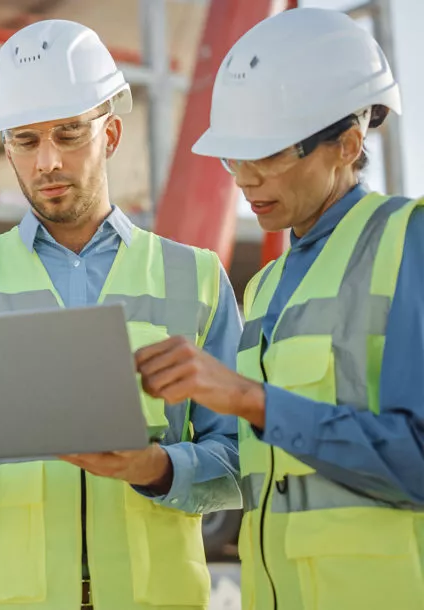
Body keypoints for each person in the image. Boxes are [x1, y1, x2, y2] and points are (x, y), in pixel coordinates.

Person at [0, 19, 244, 610]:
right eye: (25, 140)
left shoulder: (193, 279)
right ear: (7, 146)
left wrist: (157, 468)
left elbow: (243, 459)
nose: (46, 162)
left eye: (69, 135)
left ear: (111, 134)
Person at [133, 8, 424, 610]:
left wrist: (247, 399)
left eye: (266, 156)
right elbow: (265, 470)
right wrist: (154, 466)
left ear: (347, 143)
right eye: (234, 157)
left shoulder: (407, 243)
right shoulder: (263, 288)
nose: (243, 179)